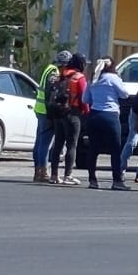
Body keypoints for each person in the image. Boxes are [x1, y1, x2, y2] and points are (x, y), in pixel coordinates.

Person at [84, 59, 130, 190]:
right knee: (115, 149)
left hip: (94, 115)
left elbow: (85, 99)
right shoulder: (113, 78)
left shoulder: (93, 79)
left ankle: (92, 180)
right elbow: (125, 94)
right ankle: (117, 180)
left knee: (93, 149)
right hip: (110, 115)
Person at [48, 54, 88, 185]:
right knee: (72, 144)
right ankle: (68, 175)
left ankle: (54, 175)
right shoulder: (79, 78)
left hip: (58, 113)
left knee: (58, 143)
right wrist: (86, 112)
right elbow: (84, 97)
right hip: (73, 113)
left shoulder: (62, 75)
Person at [32, 49, 72, 183]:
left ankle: (38, 170)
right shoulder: (54, 72)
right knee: (45, 143)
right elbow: (51, 93)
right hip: (46, 111)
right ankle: (42, 171)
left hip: (40, 108)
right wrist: (54, 111)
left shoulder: (49, 68)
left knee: (39, 141)